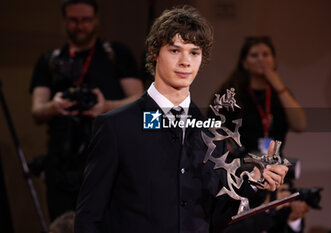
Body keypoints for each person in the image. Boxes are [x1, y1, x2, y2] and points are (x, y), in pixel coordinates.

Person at [74, 5, 288, 233]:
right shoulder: (116, 127)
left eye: (194, 52)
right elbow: (89, 217)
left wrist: (255, 181)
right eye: (175, 50)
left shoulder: (210, 132)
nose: (186, 61)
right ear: (154, 53)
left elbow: (215, 217)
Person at [30, 0, 143, 220]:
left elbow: (140, 102)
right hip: (62, 166)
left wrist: (106, 107)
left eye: (86, 20)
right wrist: (55, 106)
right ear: (64, 21)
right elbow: (37, 111)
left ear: (96, 20)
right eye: (73, 20)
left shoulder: (115, 54)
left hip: (109, 162)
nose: (79, 26)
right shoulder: (50, 61)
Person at [214, 36, 307, 156]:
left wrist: (278, 86)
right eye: (254, 55)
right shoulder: (232, 93)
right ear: (245, 63)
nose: (261, 59)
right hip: (240, 164)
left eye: (265, 55)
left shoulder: (281, 94)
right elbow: (212, 125)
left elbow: (300, 125)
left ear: (274, 60)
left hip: (273, 164)